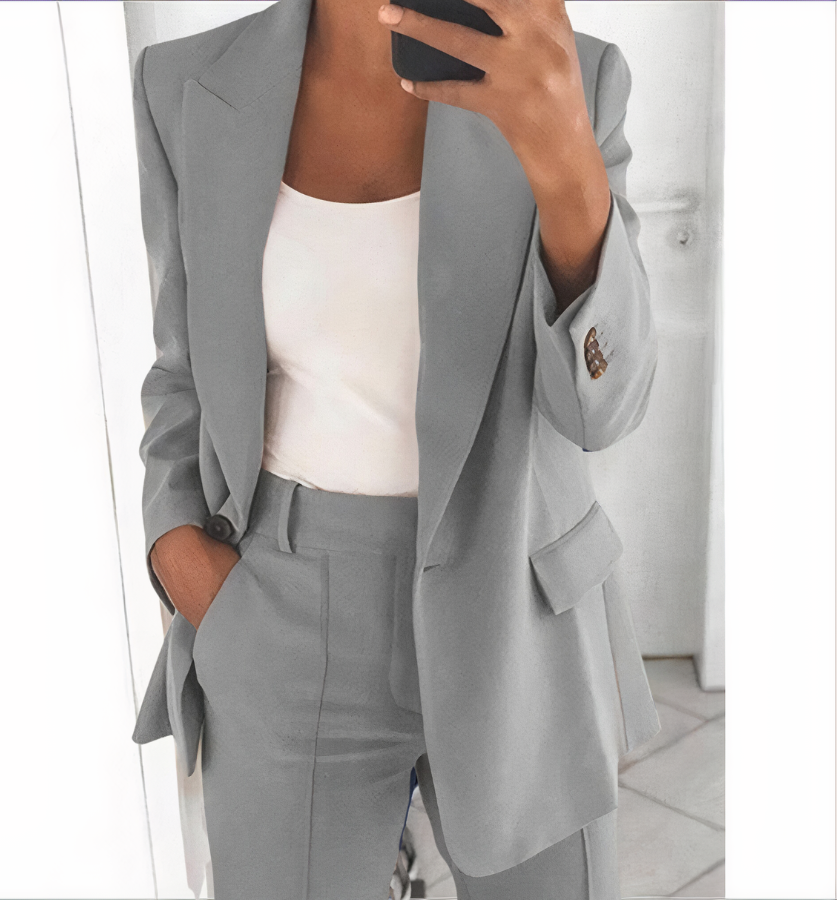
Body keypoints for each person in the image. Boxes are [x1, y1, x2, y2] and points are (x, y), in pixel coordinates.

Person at [130, 0, 662, 896]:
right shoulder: (184, 85)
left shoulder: (568, 73)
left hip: (518, 605)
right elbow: (181, 369)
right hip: (280, 611)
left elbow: (604, 408)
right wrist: (175, 545)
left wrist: (567, 163)